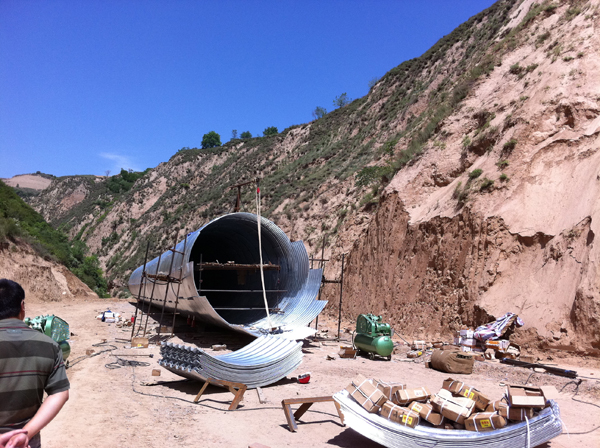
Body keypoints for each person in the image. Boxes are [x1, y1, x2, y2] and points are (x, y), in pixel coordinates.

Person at [0, 279, 70, 448]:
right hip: (25, 443)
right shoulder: (49, 346)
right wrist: (25, 434)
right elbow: (60, 393)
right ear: (22, 306)